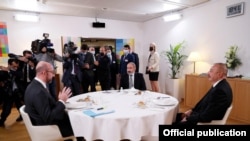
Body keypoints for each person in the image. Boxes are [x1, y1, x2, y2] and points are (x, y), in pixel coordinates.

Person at [24, 61, 84, 141]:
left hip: (43, 123)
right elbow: (48, 117)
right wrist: (62, 101)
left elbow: (45, 107)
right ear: (44, 72)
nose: (53, 75)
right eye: (52, 72)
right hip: (49, 128)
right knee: (80, 124)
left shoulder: (33, 86)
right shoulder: (38, 92)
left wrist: (59, 101)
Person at [0, 59, 24, 126]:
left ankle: (22, 117)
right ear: (9, 65)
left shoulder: (18, 71)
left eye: (17, 66)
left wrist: (9, 70)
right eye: (14, 66)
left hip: (17, 93)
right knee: (7, 110)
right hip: (8, 94)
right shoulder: (3, 72)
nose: (16, 68)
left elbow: (20, 74)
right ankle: (2, 121)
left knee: (21, 107)